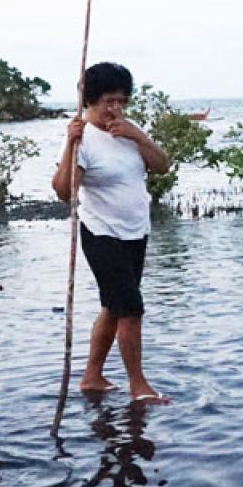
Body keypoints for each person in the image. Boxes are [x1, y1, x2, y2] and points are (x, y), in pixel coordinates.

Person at [52, 61, 172, 404]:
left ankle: (92, 376)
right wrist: (68, 145)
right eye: (109, 101)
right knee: (131, 308)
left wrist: (137, 134)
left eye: (122, 100)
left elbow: (161, 165)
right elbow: (64, 191)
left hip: (136, 231)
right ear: (91, 100)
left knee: (113, 306)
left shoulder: (127, 131)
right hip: (101, 232)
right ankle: (138, 385)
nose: (116, 108)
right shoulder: (82, 137)